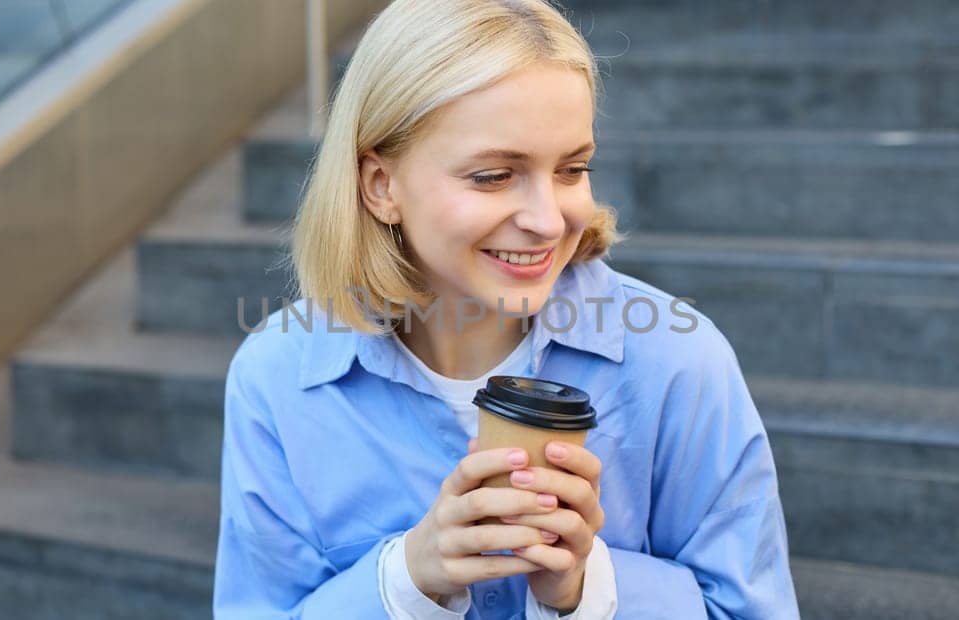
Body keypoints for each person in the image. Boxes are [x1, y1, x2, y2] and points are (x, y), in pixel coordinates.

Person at [214, 0, 798, 617]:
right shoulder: (277, 378)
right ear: (381, 186)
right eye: (493, 175)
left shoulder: (678, 361)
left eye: (573, 169)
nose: (549, 220)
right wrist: (406, 580)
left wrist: (584, 590)